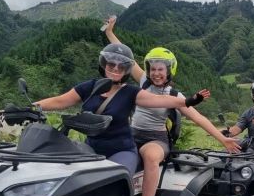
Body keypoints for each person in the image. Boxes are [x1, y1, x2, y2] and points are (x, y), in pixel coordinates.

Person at [104, 16, 240, 196]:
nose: (156, 73)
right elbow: (124, 53)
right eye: (153, 69)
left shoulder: (174, 95)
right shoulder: (143, 81)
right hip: (130, 134)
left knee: (150, 157)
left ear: (169, 71)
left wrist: (222, 139)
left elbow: (199, 117)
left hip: (155, 139)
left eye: (161, 69)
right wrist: (110, 33)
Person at [34, 42, 204, 180]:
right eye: (111, 64)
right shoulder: (90, 86)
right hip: (92, 147)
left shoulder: (130, 92)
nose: (115, 69)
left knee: (115, 180)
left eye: (121, 66)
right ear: (104, 65)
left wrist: (188, 101)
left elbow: (160, 99)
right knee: (67, 176)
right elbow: (60, 100)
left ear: (126, 70)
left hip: (121, 150)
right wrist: (32, 107)